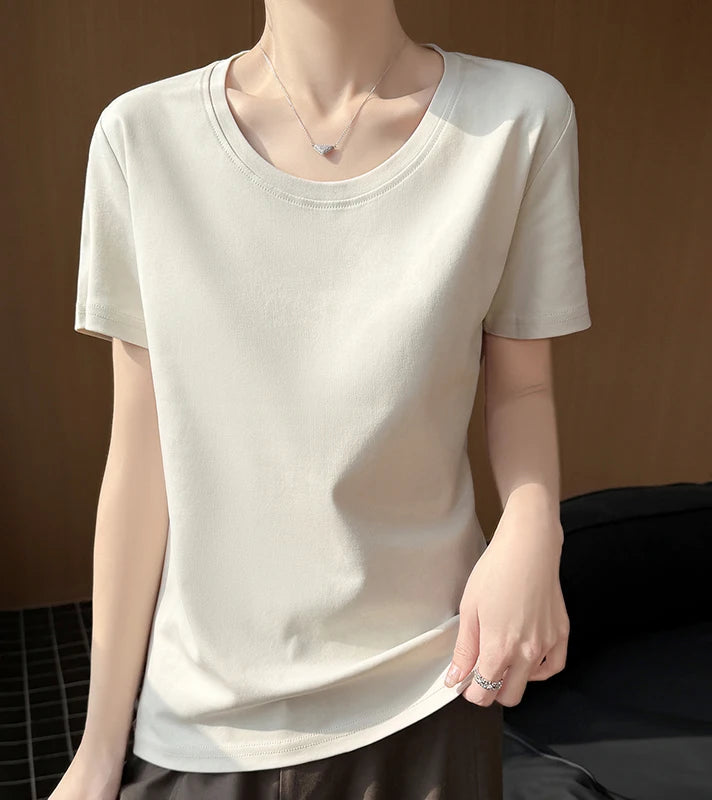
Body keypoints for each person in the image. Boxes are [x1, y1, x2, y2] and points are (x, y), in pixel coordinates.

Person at [51, 1, 591, 798]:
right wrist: (99, 749)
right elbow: (141, 450)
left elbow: (525, 383)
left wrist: (533, 525)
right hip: (203, 719)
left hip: (428, 686)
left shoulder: (517, 119)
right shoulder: (143, 137)